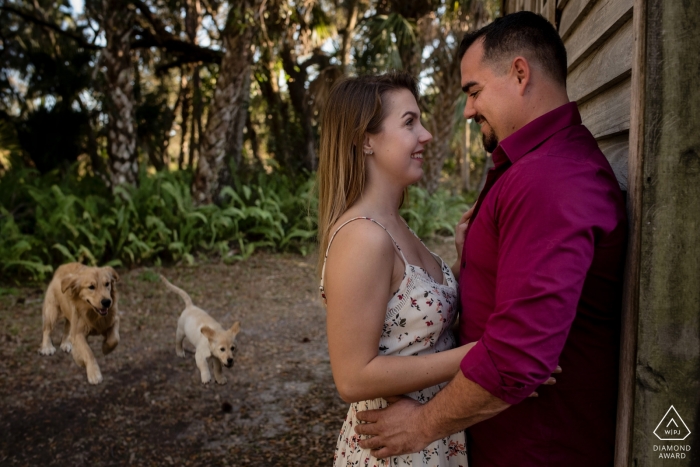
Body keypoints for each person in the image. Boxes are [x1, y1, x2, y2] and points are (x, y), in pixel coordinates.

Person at [354, 11, 628, 467]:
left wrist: (420, 425)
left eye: (473, 91)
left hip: (537, 448)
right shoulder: (534, 165)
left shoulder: (550, 179)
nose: (466, 110)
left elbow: (520, 358)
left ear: (520, 74)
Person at [317, 71, 472, 466]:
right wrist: (484, 357)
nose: (426, 135)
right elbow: (352, 377)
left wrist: (461, 258)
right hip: (393, 448)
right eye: (409, 123)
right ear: (366, 140)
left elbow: (411, 324)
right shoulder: (362, 238)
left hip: (427, 437)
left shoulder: (395, 224)